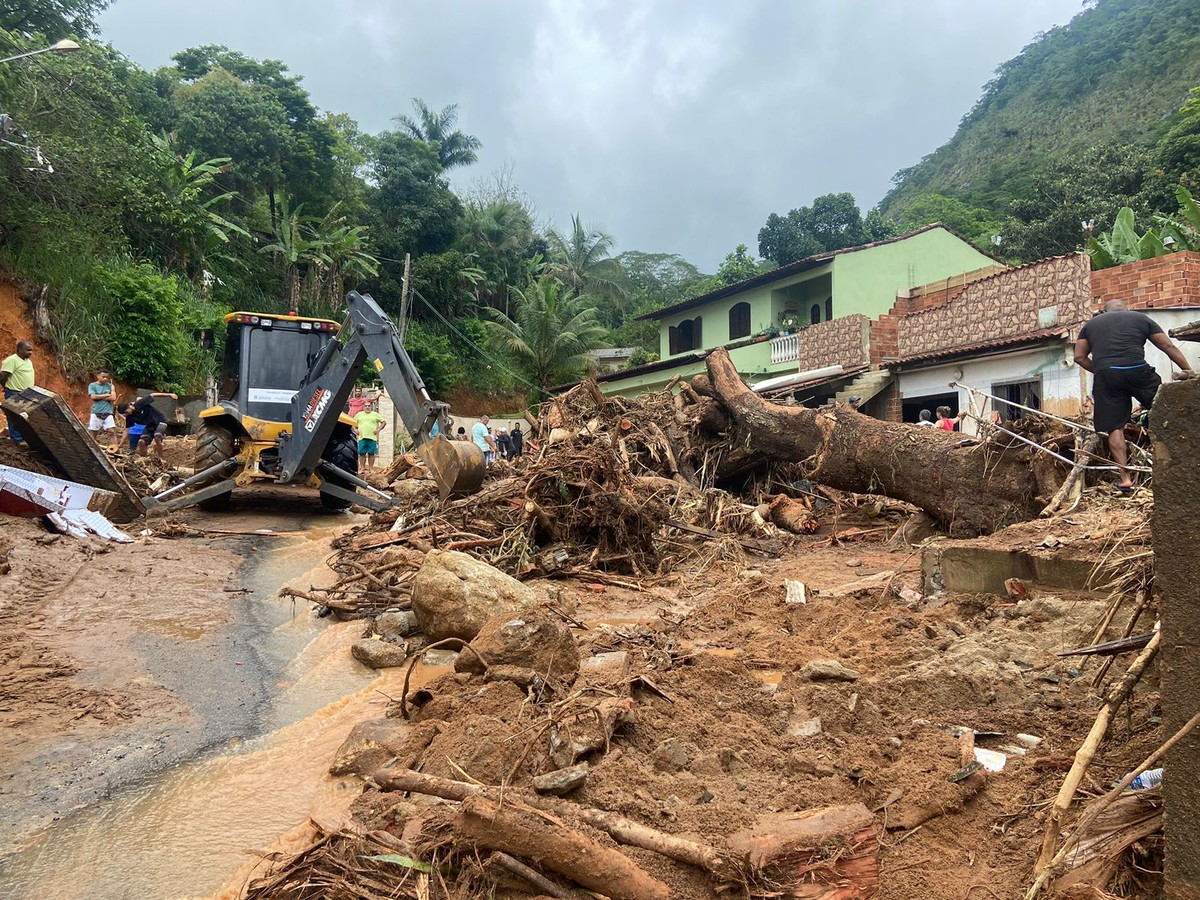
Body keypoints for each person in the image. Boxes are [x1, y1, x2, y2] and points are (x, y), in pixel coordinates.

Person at [1075, 299, 1195, 491]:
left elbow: (1079, 357)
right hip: (1139, 371)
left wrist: (1101, 370)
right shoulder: (1141, 318)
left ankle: (1125, 479)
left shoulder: (1090, 325)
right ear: (1127, 309)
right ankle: (1184, 462)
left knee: (1115, 427)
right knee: (1165, 412)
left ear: (1103, 312)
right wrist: (1189, 370)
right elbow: (1168, 347)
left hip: (1107, 376)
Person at [122, 392, 177, 458]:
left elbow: (153, 394)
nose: (126, 414)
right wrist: (120, 444)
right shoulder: (129, 417)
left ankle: (161, 458)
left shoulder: (139, 404)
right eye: (125, 414)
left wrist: (169, 395)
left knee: (157, 436)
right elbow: (126, 430)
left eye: (126, 412)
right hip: (150, 425)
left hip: (160, 421)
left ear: (129, 407)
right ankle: (144, 460)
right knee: (141, 442)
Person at [0, 340, 34, 444]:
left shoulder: (27, 361)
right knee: (14, 415)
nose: (30, 352)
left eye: (31, 350)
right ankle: (17, 439)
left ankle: (23, 437)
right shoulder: (12, 360)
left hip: (26, 393)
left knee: (24, 416)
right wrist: (6, 386)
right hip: (14, 392)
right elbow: (3, 376)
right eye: (27, 350)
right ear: (19, 350)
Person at [354, 398, 387, 471]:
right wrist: (355, 429)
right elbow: (352, 422)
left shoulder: (375, 414)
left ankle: (371, 468)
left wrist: (378, 429)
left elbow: (384, 422)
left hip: (372, 438)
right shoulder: (359, 415)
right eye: (366, 406)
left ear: (371, 407)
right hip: (362, 438)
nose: (367, 407)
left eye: (369, 406)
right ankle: (362, 468)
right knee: (362, 454)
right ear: (363, 407)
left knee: (371, 454)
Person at [87, 371, 118, 448]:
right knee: (94, 432)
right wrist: (106, 395)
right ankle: (92, 448)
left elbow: (113, 397)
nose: (105, 379)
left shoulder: (110, 386)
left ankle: (115, 448)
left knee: (112, 431)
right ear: (98, 376)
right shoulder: (92, 385)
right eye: (103, 377)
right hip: (96, 412)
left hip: (108, 412)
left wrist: (99, 397)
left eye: (107, 377)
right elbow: (93, 397)